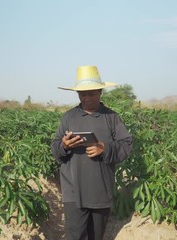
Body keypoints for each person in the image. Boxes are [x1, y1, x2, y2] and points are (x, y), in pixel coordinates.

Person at [51, 65, 133, 240]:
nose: (86, 98)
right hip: (73, 189)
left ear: (100, 92)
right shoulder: (68, 117)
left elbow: (126, 144)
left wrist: (104, 148)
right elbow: (56, 148)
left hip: (100, 190)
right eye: (82, 94)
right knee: (75, 235)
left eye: (91, 93)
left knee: (96, 236)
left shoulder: (111, 118)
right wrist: (64, 145)